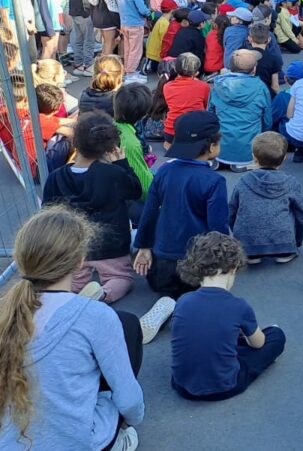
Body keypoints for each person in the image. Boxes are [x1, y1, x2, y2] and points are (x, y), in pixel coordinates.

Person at [0, 207, 145, 451]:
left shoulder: (6, 312)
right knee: (127, 325)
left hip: (11, 442)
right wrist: (129, 421)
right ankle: (121, 440)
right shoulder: (97, 316)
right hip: (80, 442)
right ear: (80, 261)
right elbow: (129, 401)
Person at [42, 112, 144, 304]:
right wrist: (122, 163)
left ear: (76, 143)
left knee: (74, 278)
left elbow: (47, 211)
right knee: (121, 278)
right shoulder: (113, 174)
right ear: (109, 148)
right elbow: (135, 191)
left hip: (74, 245)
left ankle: (70, 293)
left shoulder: (56, 176)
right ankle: (103, 294)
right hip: (110, 244)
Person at [170, 232, 286, 401]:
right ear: (233, 269)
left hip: (182, 386)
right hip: (224, 387)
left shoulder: (183, 301)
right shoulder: (238, 306)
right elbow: (258, 343)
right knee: (275, 336)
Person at [134, 110, 229, 301]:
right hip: (195, 268)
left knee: (167, 291)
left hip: (161, 268)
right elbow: (217, 229)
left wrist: (143, 247)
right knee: (207, 287)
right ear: (211, 147)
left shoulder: (164, 170)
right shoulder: (214, 181)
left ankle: (168, 302)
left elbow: (150, 212)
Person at [228, 132, 303, 264]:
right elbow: (302, 214)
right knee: (293, 210)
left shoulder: (243, 181)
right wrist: (297, 241)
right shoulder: (290, 182)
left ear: (254, 158)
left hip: (247, 244)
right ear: (283, 159)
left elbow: (232, 210)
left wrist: (238, 238)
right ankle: (285, 252)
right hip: (284, 243)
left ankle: (252, 255)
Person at [210, 50, 271, 172]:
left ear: (230, 68)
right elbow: (267, 119)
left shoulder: (218, 85)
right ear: (254, 69)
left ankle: (216, 158)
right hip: (247, 149)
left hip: (219, 148)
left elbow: (210, 114)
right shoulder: (261, 87)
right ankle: (242, 162)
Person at [163, 53, 211, 146]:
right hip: (196, 131)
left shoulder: (167, 86)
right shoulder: (204, 86)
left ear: (176, 69)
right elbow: (205, 106)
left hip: (171, 132)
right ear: (196, 72)